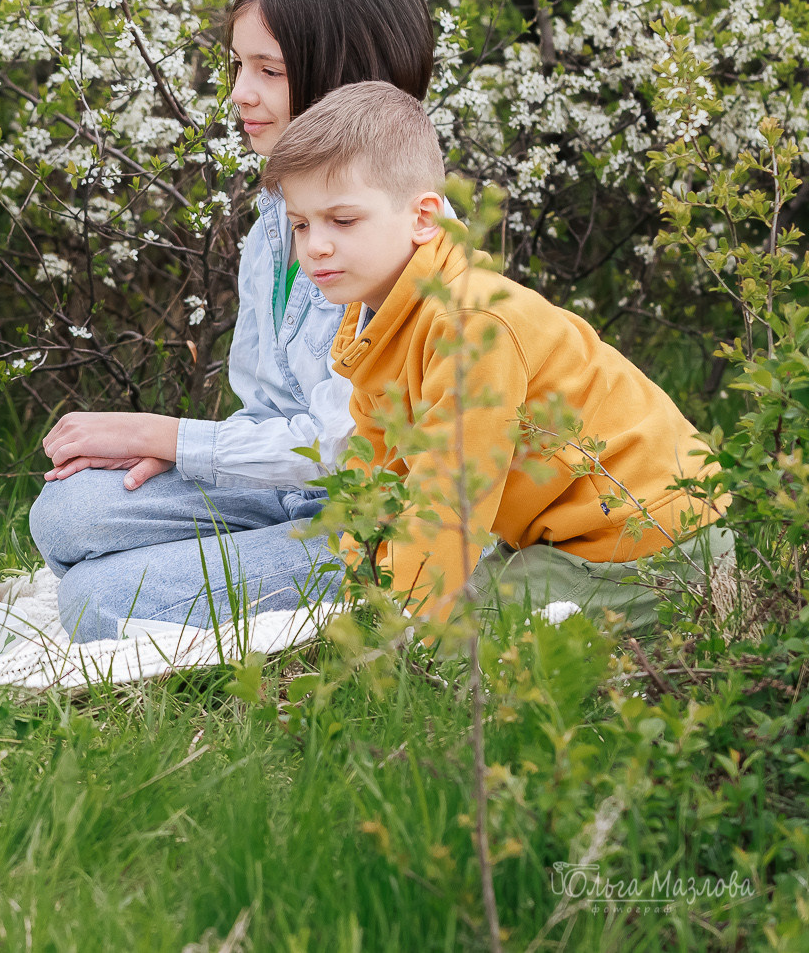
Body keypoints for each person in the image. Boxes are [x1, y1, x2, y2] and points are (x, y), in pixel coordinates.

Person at [28, 0, 436, 639]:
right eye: (238, 67)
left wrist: (168, 436)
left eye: (268, 72)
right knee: (67, 511)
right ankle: (221, 576)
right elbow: (268, 407)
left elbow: (349, 444)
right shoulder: (275, 226)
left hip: (377, 520)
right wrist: (191, 456)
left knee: (97, 600)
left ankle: (237, 586)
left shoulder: (399, 237)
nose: (239, 94)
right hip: (284, 492)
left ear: (344, 82)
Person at [265, 81, 730, 628]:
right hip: (566, 536)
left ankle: (686, 623)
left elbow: (449, 500)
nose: (316, 245)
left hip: (649, 539)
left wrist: (403, 627)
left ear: (423, 218)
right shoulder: (379, 327)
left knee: (452, 648)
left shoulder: (469, 323)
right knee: (421, 616)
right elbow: (376, 478)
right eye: (301, 224)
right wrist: (364, 584)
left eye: (342, 221)